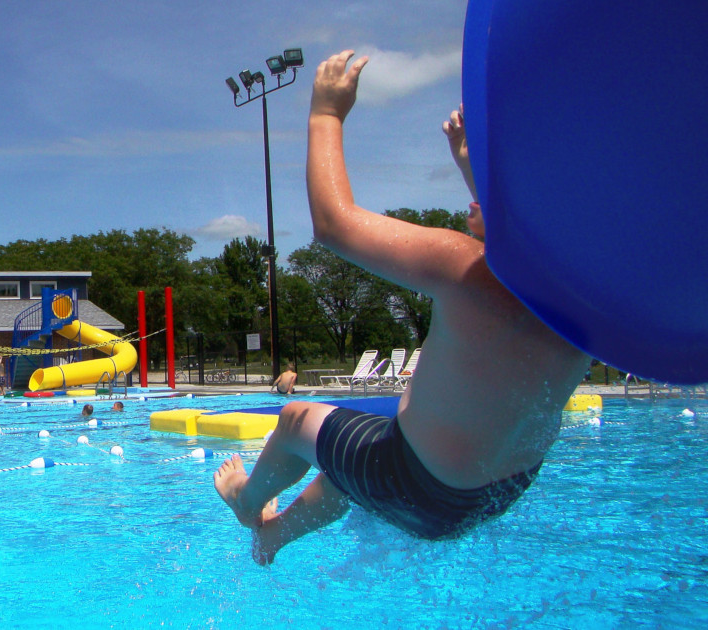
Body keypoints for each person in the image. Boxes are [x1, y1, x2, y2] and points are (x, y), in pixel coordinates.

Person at [214, 50, 590, 565]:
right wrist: (469, 164)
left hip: (417, 484)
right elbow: (524, 231)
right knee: (348, 471)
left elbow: (334, 224)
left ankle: (247, 502)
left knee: (298, 419)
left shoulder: (466, 268)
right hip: (496, 494)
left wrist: (326, 112)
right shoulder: (583, 290)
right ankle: (276, 536)